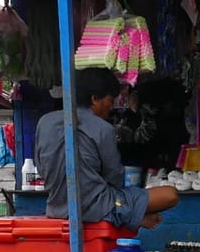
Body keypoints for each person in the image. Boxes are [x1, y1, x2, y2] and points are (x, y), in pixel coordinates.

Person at [34, 68, 179, 231]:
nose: (111, 107)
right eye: (110, 101)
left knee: (123, 201)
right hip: (99, 207)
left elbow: (41, 169)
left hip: (56, 207)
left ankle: (132, 215)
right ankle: (131, 216)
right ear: (94, 98)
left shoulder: (44, 122)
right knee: (170, 194)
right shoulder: (103, 128)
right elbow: (114, 177)